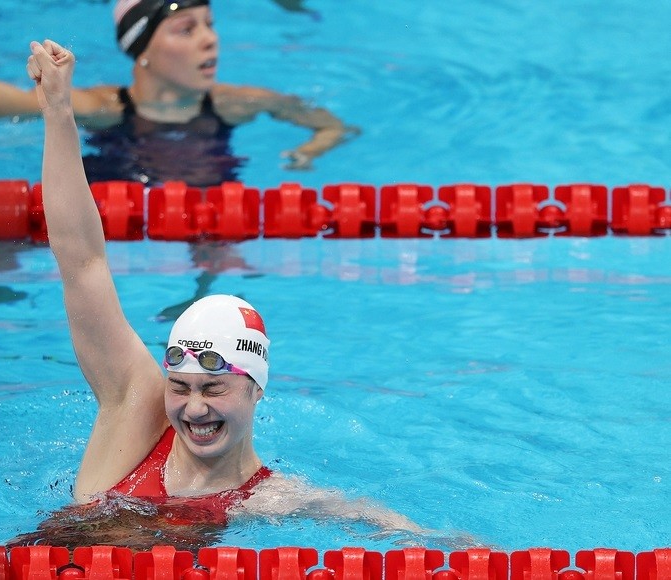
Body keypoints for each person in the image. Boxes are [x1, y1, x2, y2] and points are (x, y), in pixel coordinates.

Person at [23, 38, 435, 549]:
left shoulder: (271, 500)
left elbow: (381, 523)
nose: (192, 408)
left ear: (256, 389)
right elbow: (82, 262)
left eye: (214, 389)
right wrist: (58, 113)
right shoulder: (137, 412)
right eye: (181, 386)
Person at [0, 0, 357, 184]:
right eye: (187, 30)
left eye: (210, 24)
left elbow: (334, 127)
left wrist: (310, 152)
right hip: (109, 208)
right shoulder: (104, 108)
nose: (210, 40)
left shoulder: (237, 101)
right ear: (142, 51)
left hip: (208, 225)